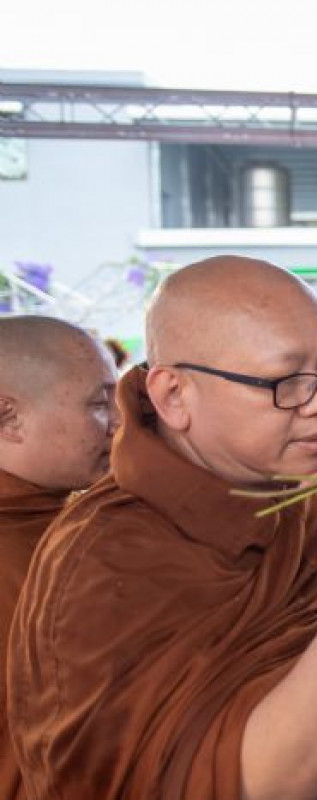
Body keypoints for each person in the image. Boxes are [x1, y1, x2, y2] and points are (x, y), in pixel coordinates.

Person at [7, 256, 317, 800]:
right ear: (173, 396)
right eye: (286, 381)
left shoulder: (298, 501)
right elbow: (215, 784)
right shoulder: (106, 558)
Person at [0, 316, 118, 800]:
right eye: (98, 404)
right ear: (8, 418)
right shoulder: (29, 551)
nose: (119, 422)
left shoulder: (69, 525)